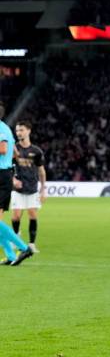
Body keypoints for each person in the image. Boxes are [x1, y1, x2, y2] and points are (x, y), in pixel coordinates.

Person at [0, 103, 33, 266]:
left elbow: (4, 149)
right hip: (4, 175)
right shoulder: (6, 128)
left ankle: (24, 247)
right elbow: (14, 153)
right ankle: (11, 255)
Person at [11, 119, 46, 253]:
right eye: (17, 130)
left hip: (32, 189)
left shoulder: (36, 151)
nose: (19, 133)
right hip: (18, 189)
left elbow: (41, 171)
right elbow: (7, 167)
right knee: (16, 216)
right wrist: (13, 179)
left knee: (32, 215)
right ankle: (16, 238)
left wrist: (43, 190)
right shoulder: (14, 149)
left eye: (21, 130)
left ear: (28, 131)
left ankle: (31, 244)